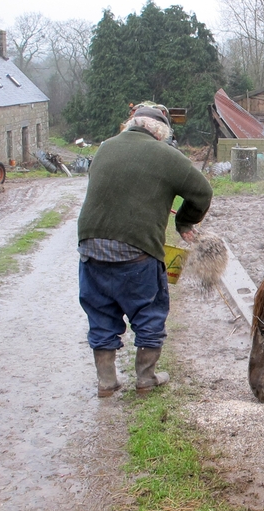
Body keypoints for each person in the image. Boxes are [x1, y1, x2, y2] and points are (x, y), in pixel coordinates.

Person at [77, 107, 213, 397]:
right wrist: (184, 221)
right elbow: (203, 192)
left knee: (100, 313)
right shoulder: (166, 155)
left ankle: (106, 382)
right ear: (161, 133)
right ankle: (146, 378)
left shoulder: (105, 148)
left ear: (131, 125)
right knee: (149, 311)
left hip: (90, 247)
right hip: (136, 250)